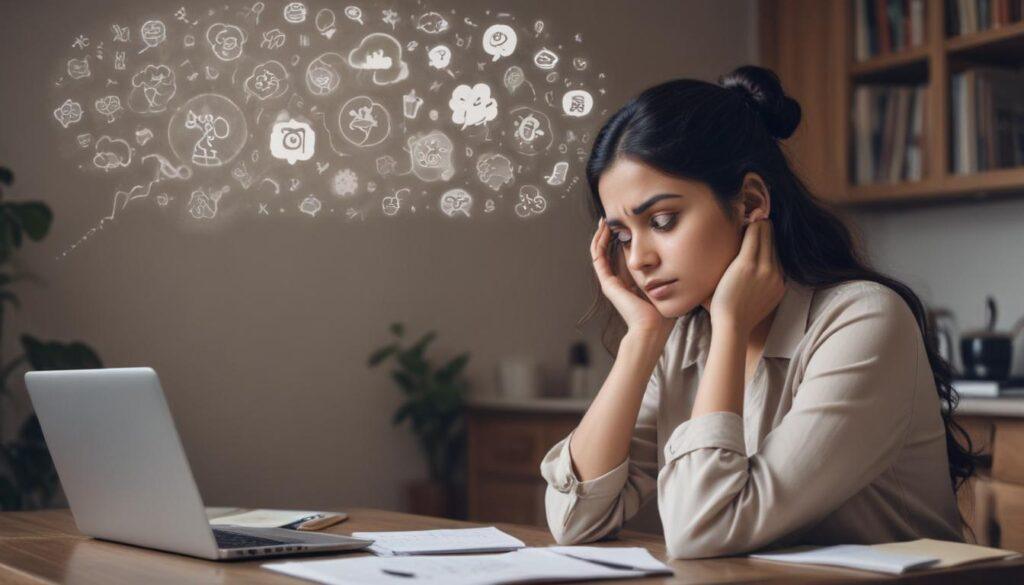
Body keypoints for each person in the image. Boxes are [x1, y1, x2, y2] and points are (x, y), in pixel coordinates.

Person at [539, 65, 979, 560]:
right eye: (622, 236)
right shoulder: (681, 339)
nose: (638, 258)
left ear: (750, 201)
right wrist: (641, 338)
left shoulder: (865, 321)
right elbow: (575, 520)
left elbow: (701, 530)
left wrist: (730, 326)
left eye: (662, 221)